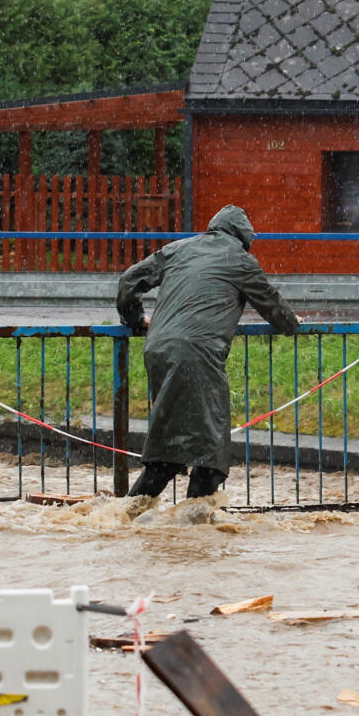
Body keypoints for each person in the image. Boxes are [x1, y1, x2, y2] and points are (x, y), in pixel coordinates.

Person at [115, 204, 299, 513]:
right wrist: (293, 324)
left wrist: (135, 322)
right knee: (210, 453)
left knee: (170, 445)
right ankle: (189, 528)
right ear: (244, 238)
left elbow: (128, 281)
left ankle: (127, 520)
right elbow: (274, 307)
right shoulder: (241, 260)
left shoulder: (180, 249)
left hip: (158, 351)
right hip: (198, 356)